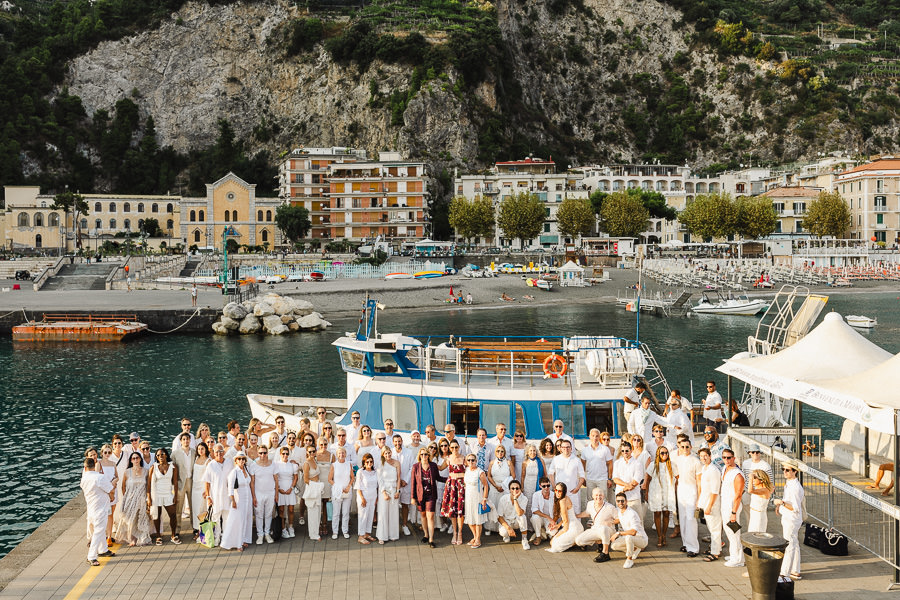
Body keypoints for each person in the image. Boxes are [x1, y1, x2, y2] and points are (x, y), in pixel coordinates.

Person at [81, 457, 114, 566]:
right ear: (95, 465)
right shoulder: (99, 477)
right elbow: (110, 488)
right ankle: (91, 556)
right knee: (99, 531)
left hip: (91, 508)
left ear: (85, 467)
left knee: (97, 530)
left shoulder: (84, 478)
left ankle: (103, 550)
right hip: (100, 508)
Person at [673, 435, 702, 557]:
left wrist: (699, 499)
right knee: (683, 518)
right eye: (682, 446)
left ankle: (694, 548)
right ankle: (686, 543)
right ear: (679, 447)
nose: (685, 448)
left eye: (687, 447)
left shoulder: (696, 461)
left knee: (691, 519)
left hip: (692, 491)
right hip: (681, 490)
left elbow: (699, 481)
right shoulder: (677, 460)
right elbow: (677, 477)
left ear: (690, 447)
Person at [221, 453, 256, 551]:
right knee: (238, 520)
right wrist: (233, 500)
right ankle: (237, 543)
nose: (241, 461)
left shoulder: (246, 470)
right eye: (239, 459)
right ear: (236, 460)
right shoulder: (234, 472)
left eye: (243, 459)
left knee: (247, 518)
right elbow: (230, 488)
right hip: (238, 498)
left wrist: (253, 498)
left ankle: (244, 539)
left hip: (247, 497)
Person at [410, 447, 444, 547]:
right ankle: (425, 534)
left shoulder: (433, 466)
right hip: (421, 495)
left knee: (431, 516)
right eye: (422, 454)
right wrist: (413, 497)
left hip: (431, 494)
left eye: (426, 454)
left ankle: (431, 539)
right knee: (423, 515)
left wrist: (450, 479)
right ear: (419, 456)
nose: (424, 456)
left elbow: (438, 478)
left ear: (429, 456)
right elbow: (413, 483)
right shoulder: (415, 467)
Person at [115, 452, 151, 547]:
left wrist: (148, 499)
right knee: (130, 519)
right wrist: (126, 498)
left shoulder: (146, 471)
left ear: (140, 459)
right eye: (133, 458)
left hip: (142, 498)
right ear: (131, 460)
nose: (135, 460)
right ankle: (132, 538)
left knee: (140, 518)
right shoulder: (127, 472)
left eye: (137, 458)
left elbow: (148, 486)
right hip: (130, 499)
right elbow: (123, 487)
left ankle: (140, 537)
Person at [776, 460, 805, 580]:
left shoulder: (795, 487)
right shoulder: (790, 483)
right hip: (789, 518)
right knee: (794, 543)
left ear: (795, 472)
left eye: (787, 470)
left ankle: (785, 573)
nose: (785, 472)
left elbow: (795, 507)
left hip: (791, 519)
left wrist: (781, 503)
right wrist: (780, 506)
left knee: (789, 545)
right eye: (783, 469)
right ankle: (795, 570)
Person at [148, 448, 180, 545]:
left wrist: (175, 495)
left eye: (162, 454)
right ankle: (158, 536)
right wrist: (149, 498)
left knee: (173, 515)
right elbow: (149, 484)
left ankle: (173, 535)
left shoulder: (173, 466)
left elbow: (175, 482)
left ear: (166, 455)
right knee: (157, 516)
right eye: (158, 455)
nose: (160, 457)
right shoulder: (153, 467)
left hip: (168, 493)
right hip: (156, 494)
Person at [575, 487, 616, 561]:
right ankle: (599, 542)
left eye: (600, 495)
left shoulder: (610, 507)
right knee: (579, 541)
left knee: (603, 528)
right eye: (596, 495)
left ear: (603, 496)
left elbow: (619, 519)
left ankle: (605, 553)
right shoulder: (590, 504)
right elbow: (587, 513)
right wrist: (576, 516)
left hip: (608, 530)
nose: (598, 497)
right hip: (595, 529)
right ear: (593, 496)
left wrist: (611, 522)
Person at [720, 449, 745, 567]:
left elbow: (739, 494)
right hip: (724, 504)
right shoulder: (724, 469)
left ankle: (738, 559)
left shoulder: (738, 474)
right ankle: (734, 554)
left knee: (734, 532)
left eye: (729, 457)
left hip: (732, 506)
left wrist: (734, 512)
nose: (726, 460)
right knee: (728, 531)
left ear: (734, 458)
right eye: (724, 457)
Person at [697, 447, 723, 561]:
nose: (703, 458)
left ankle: (715, 553)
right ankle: (715, 548)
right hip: (705, 502)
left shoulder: (713, 470)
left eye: (705, 456)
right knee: (711, 529)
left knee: (715, 529)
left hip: (712, 505)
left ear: (710, 456)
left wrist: (709, 506)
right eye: (701, 456)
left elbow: (715, 491)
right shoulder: (704, 468)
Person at [610, 492, 648, 569]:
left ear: (626, 501)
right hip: (629, 537)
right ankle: (634, 549)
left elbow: (633, 532)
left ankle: (629, 559)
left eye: (622, 501)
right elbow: (617, 520)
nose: (620, 503)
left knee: (629, 537)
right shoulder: (619, 510)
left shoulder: (632, 514)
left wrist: (618, 533)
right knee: (614, 546)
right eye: (618, 501)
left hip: (641, 539)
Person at [202, 444, 230, 546]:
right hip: (215, 495)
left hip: (227, 495)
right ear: (213, 453)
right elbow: (207, 482)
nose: (219, 453)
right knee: (216, 517)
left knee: (226, 517)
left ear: (224, 452)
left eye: (221, 451)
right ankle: (217, 536)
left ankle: (226, 537)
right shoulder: (211, 465)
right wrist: (208, 497)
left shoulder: (229, 462)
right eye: (217, 452)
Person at [441, 439, 466, 545]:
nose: (454, 449)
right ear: (450, 448)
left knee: (460, 511)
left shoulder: (464, 459)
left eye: (456, 447)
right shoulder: (448, 459)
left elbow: (471, 469)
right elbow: (440, 468)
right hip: (451, 486)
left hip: (461, 486)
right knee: (453, 511)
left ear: (459, 447)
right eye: (452, 447)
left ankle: (460, 533)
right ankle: (454, 533)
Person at [550, 439, 586, 513]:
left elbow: (582, 476)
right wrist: (554, 486)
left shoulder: (576, 460)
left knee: (575, 512)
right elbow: (550, 473)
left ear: (571, 448)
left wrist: (577, 488)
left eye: (568, 447)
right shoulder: (556, 459)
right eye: (563, 447)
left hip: (573, 492)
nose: (566, 449)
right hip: (560, 492)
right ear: (560, 448)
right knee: (560, 513)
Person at [170, 432, 195, 539]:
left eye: (188, 439)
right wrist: (173, 484)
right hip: (180, 482)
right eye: (184, 439)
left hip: (192, 481)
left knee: (193, 506)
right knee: (178, 508)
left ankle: (195, 528)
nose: (186, 441)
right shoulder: (175, 454)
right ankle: (177, 530)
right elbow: (171, 469)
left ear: (190, 440)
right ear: (180, 441)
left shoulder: (194, 452)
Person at [486, 445, 516, 532]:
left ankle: (504, 528)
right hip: (494, 487)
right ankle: (490, 527)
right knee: (493, 506)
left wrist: (504, 486)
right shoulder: (492, 462)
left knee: (503, 508)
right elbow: (489, 476)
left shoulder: (509, 462)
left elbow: (513, 476)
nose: (500, 453)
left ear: (504, 452)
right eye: (498, 451)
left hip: (505, 487)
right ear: (495, 452)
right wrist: (496, 486)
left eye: (502, 451)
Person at [582, 429, 614, 508]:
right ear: (589, 436)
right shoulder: (585, 450)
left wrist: (609, 478)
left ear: (599, 437)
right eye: (593, 436)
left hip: (602, 479)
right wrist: (583, 478)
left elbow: (610, 464)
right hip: (590, 479)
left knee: (603, 499)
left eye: (597, 436)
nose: (595, 438)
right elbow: (582, 464)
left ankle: (604, 519)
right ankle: (591, 519)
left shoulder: (605, 449)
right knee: (590, 500)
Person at [463, 453, 489, 548]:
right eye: (469, 460)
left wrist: (484, 499)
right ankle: (474, 536)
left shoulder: (480, 472)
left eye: (473, 460)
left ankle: (478, 539)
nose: (471, 462)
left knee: (478, 519)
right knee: (470, 519)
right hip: (468, 497)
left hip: (477, 497)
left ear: (476, 461)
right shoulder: (466, 470)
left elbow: (486, 485)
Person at [329, 446, 355, 540]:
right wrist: (339, 488)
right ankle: (335, 531)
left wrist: (348, 487)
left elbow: (352, 477)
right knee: (336, 513)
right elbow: (330, 479)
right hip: (337, 492)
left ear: (346, 454)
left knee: (345, 513)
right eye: (339, 453)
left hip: (348, 491)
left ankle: (345, 530)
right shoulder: (334, 465)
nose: (341, 454)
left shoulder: (349, 464)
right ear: (337, 455)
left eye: (343, 453)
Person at [391, 434, 414, 536]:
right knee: (394, 506)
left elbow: (412, 468)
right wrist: (397, 481)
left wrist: (405, 480)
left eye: (399, 441)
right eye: (395, 441)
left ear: (402, 441)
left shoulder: (409, 452)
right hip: (393, 484)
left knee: (405, 505)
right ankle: (394, 527)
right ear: (393, 442)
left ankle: (404, 525)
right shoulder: (390, 453)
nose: (397, 443)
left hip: (406, 483)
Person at [612, 441, 644, 517]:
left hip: (634, 497)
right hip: (620, 498)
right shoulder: (617, 463)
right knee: (622, 522)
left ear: (631, 450)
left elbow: (636, 481)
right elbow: (615, 479)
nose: (624, 452)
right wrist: (626, 486)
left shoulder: (638, 464)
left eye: (627, 450)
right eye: (622, 451)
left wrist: (625, 489)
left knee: (637, 521)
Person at [376, 446, 401, 544]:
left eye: (389, 452)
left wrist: (397, 491)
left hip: (394, 488)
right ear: (383, 454)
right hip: (384, 489)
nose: (388, 455)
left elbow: (399, 477)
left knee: (393, 512)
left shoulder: (396, 463)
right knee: (383, 512)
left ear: (391, 452)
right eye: (385, 453)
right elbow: (380, 479)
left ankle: (393, 534)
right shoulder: (381, 464)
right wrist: (383, 493)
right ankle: (382, 535)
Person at [496, 479, 530, 549]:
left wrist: (515, 499)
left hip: (516, 520)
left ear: (520, 489)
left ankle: (524, 539)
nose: (515, 490)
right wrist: (508, 528)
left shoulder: (524, 499)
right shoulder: (503, 499)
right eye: (512, 488)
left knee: (523, 517)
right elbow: (499, 517)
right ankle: (506, 535)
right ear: (509, 490)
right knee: (503, 532)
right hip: (507, 521)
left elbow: (520, 513)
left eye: (517, 488)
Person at [253, 445, 276, 544]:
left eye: (265, 453)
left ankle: (267, 533)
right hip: (258, 494)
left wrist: (276, 494)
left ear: (267, 453)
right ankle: (260, 535)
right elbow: (252, 482)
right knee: (259, 515)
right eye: (261, 453)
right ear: (258, 454)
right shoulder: (253, 465)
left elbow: (276, 480)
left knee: (268, 514)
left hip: (270, 493)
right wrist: (253, 496)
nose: (263, 455)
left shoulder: (273, 464)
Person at [275, 446, 299, 538]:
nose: (285, 455)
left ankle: (291, 527)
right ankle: (283, 529)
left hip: (290, 488)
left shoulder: (292, 465)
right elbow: (275, 477)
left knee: (291, 509)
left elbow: (295, 477)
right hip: (280, 488)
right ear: (280, 454)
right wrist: (279, 488)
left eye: (287, 453)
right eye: (283, 454)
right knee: (281, 510)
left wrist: (291, 488)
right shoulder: (276, 464)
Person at [302, 446, 324, 541]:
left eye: (313, 451)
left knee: (318, 511)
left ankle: (316, 532)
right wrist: (316, 486)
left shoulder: (315, 461)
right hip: (312, 488)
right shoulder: (306, 463)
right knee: (312, 512)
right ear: (307, 452)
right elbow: (306, 480)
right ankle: (313, 534)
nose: (311, 453)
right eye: (310, 451)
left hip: (317, 487)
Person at [356, 453, 378, 544]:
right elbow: (358, 487)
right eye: (367, 462)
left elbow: (377, 486)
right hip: (364, 496)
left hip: (373, 496)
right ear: (364, 463)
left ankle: (367, 534)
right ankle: (361, 536)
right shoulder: (360, 472)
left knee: (370, 515)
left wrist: (376, 498)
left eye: (371, 461)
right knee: (363, 516)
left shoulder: (375, 471)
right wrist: (362, 498)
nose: (369, 463)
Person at [314, 436, 334, 538]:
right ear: (318, 445)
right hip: (318, 483)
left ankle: (325, 524)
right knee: (318, 506)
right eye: (321, 444)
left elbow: (335, 470)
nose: (323, 446)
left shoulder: (331, 456)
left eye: (325, 444)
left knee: (325, 505)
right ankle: (318, 525)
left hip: (327, 483)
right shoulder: (315, 455)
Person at [190, 442, 211, 539]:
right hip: (195, 487)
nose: (200, 451)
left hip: (202, 487)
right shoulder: (196, 459)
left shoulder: (208, 461)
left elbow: (209, 477)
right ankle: (196, 530)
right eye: (199, 449)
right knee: (195, 509)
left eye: (202, 448)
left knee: (202, 509)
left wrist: (207, 491)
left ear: (206, 449)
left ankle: (202, 531)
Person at [520, 443, 545, 512]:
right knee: (528, 503)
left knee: (537, 503)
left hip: (537, 484)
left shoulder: (540, 461)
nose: (532, 452)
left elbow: (545, 474)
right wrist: (522, 487)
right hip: (527, 485)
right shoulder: (525, 462)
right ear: (527, 452)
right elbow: (522, 476)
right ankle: (528, 521)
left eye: (534, 450)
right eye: (530, 450)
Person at [530, 477, 554, 545]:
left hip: (550, 518)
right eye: (544, 486)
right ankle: (538, 536)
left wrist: (553, 520)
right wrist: (547, 516)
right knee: (535, 518)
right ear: (540, 486)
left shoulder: (554, 495)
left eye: (548, 485)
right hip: (540, 517)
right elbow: (534, 510)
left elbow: (556, 511)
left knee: (553, 533)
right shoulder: (536, 495)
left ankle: (550, 535)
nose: (546, 487)